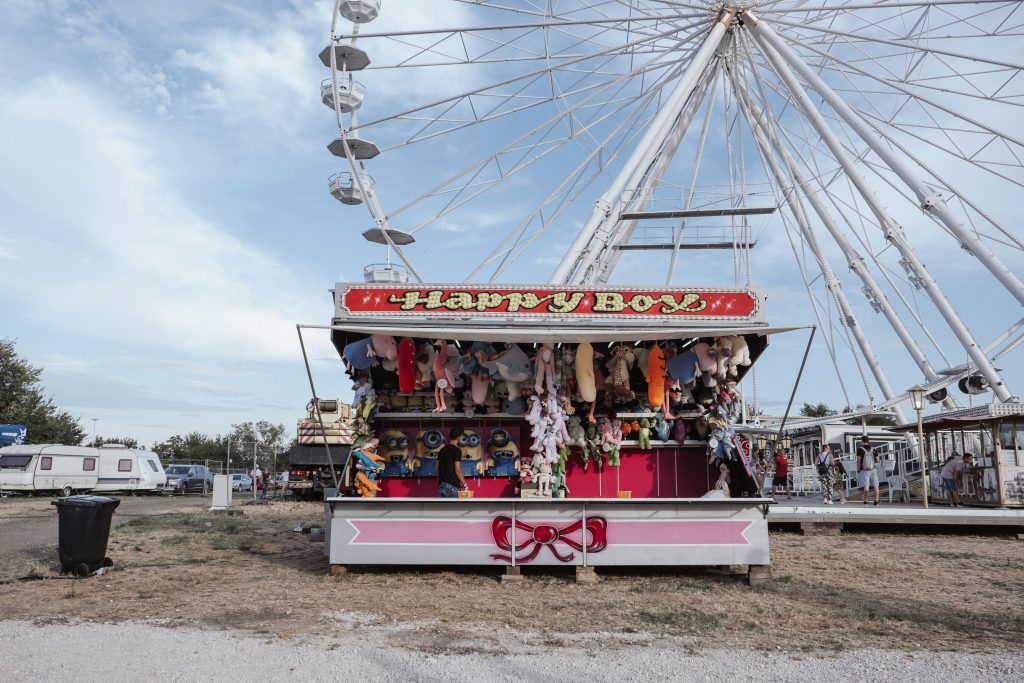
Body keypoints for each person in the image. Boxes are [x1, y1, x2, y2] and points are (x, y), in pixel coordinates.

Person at [436, 427, 468, 498]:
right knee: (453, 509)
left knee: (442, 509)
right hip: (452, 486)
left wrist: (444, 476)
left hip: (441, 486)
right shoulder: (456, 451)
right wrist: (465, 485)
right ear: (459, 437)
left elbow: (436, 468)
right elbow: (458, 471)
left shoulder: (442, 450)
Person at [857, 436, 880, 506]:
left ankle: (866, 501)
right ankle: (876, 502)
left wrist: (858, 469)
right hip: (873, 470)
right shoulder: (873, 449)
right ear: (868, 441)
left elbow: (858, 460)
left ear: (862, 441)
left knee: (866, 486)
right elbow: (878, 460)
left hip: (864, 470)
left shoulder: (860, 449)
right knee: (876, 486)